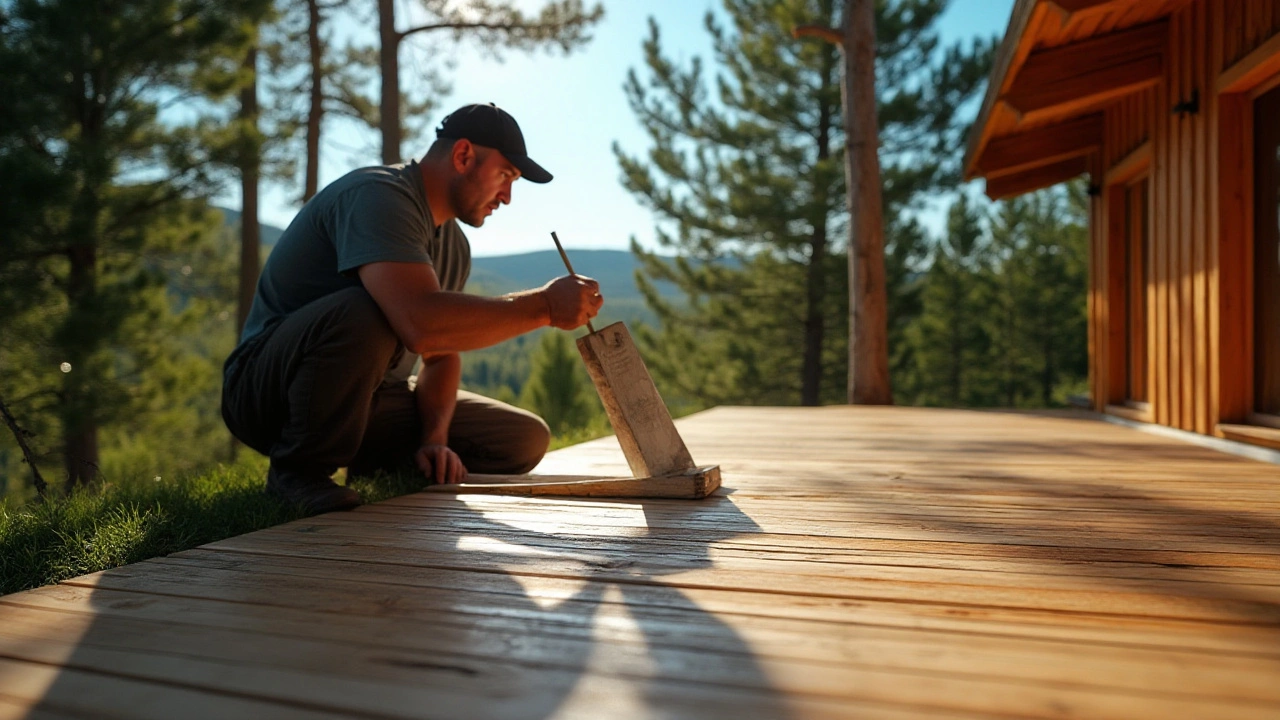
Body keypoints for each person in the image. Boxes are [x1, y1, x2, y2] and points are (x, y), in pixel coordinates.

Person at [221, 102, 603, 514]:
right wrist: (544, 306)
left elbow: (440, 355)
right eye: (506, 176)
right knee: (368, 310)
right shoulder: (379, 195)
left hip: (369, 398)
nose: (507, 197)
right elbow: (421, 323)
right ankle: (297, 472)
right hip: (267, 393)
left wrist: (434, 439)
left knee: (523, 439)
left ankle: (377, 464)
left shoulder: (454, 247)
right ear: (463, 156)